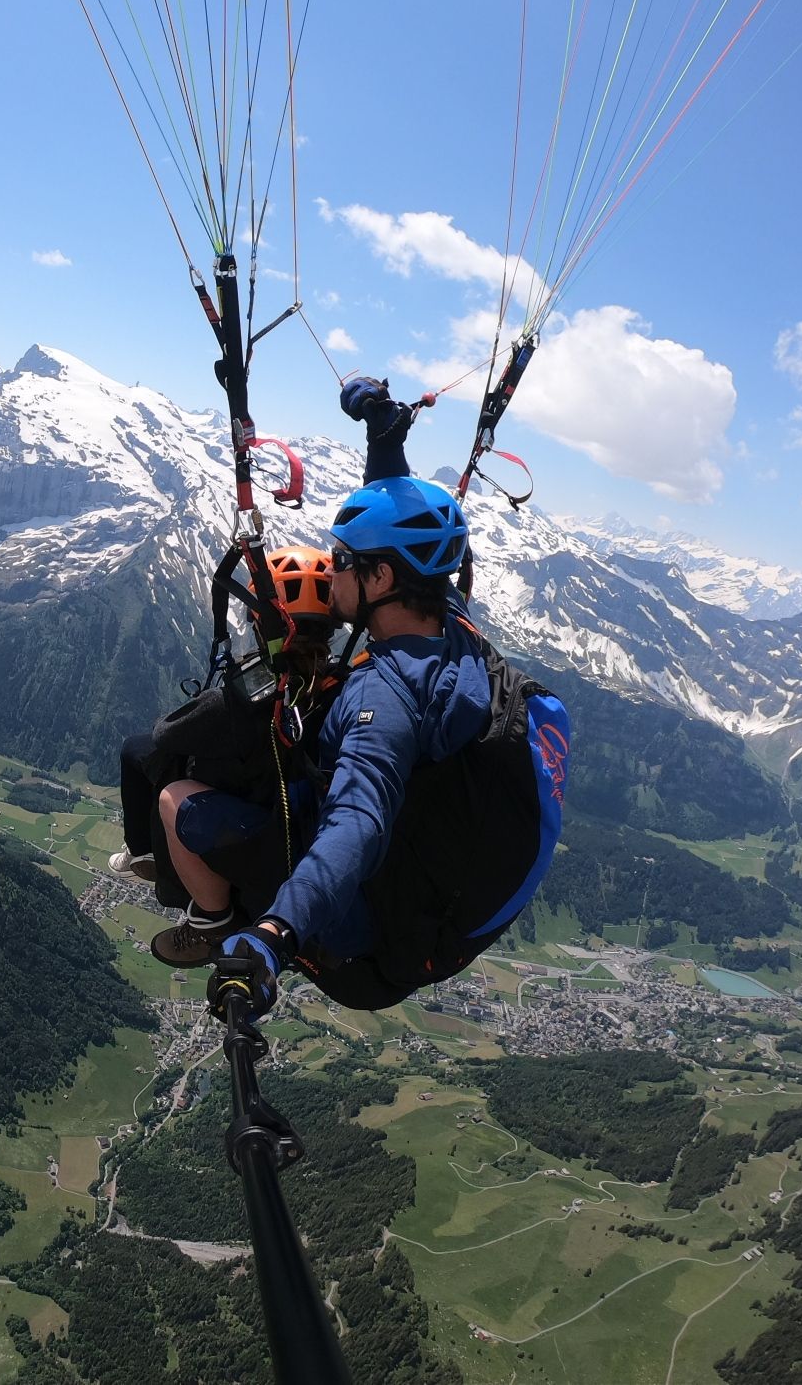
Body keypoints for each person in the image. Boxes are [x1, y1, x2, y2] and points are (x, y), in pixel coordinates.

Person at [162, 376, 571, 1016]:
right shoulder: (451, 624)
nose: (333, 567)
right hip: (429, 898)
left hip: (366, 944)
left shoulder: (386, 697)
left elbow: (358, 823)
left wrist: (273, 935)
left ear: (381, 578)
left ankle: (213, 924)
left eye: (345, 558)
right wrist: (384, 435)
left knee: (176, 799)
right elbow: (408, 529)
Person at [112, 546, 344, 908]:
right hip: (299, 825)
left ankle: (148, 856)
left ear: (260, 623)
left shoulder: (246, 700)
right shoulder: (340, 685)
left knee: (137, 749)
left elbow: (168, 733)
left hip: (257, 835)